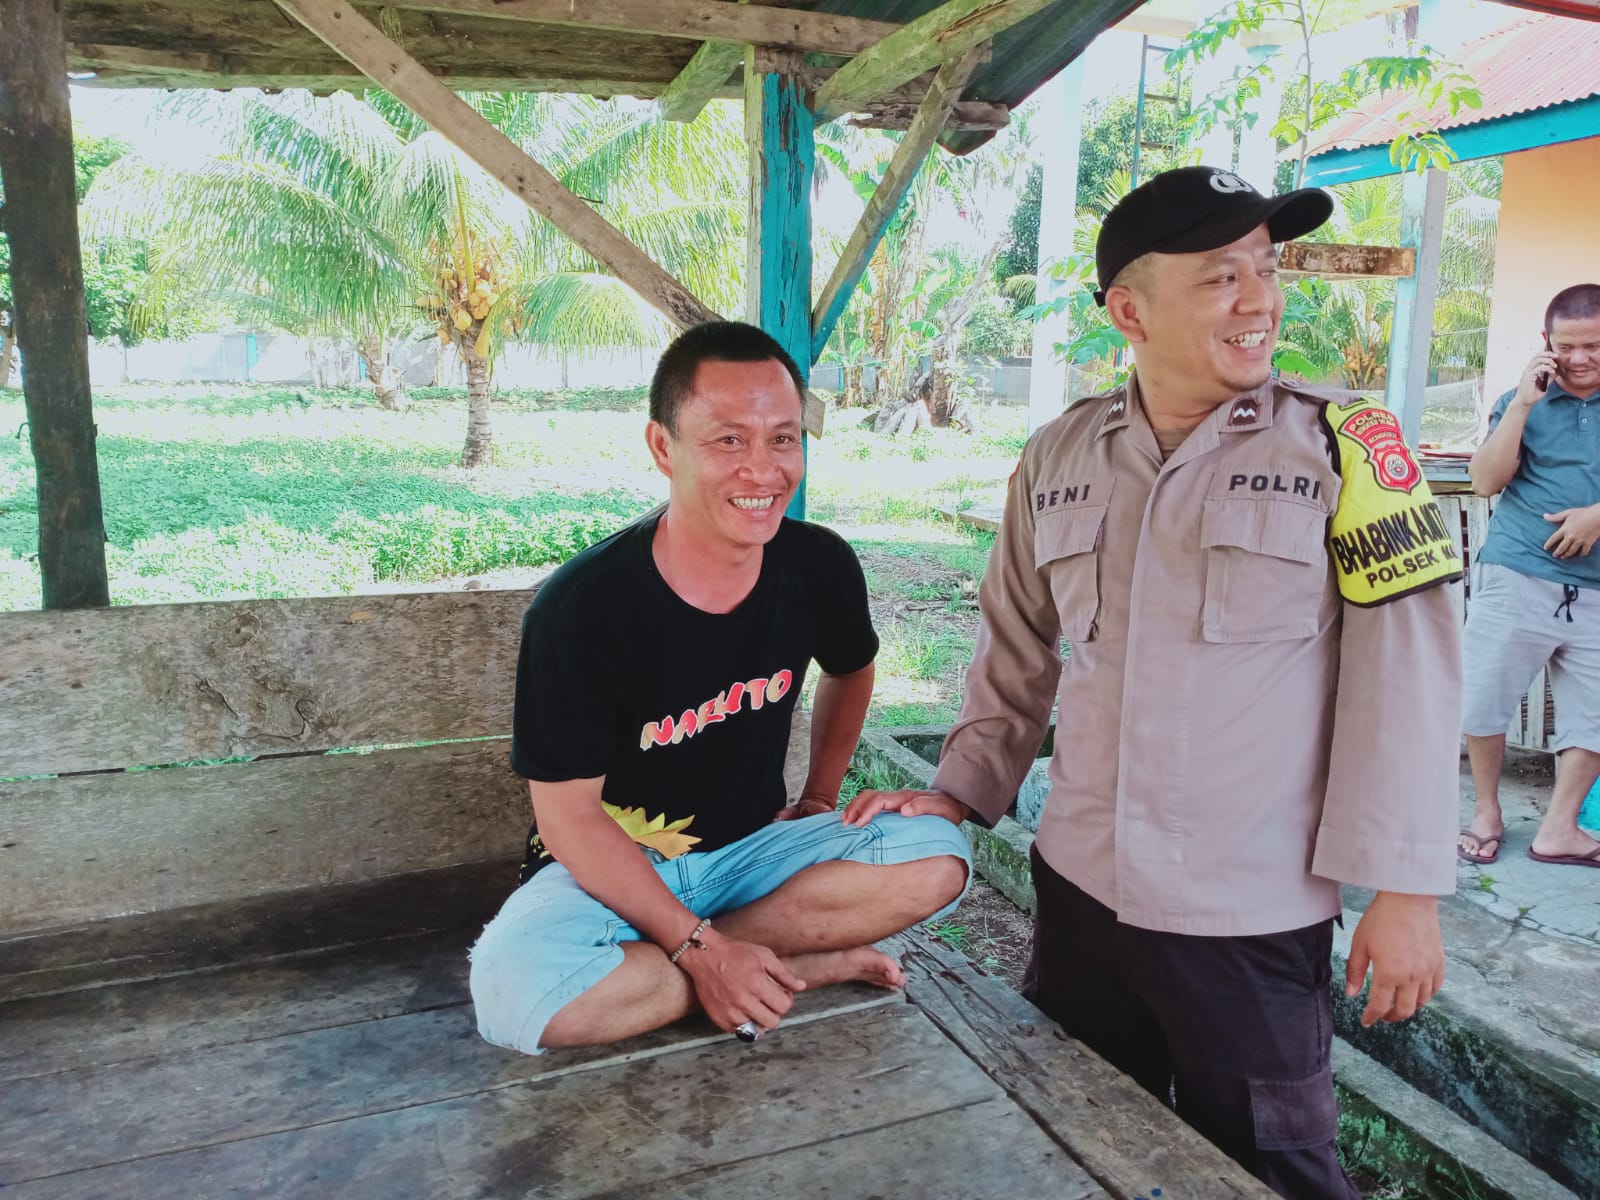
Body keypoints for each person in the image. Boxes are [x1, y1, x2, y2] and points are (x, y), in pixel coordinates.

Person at [843, 167, 1462, 1200]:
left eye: (1265, 270)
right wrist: (959, 792)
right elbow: (1014, 646)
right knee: (1079, 1140)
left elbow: (1409, 677)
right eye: (1222, 276)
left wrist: (1405, 889)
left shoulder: (1349, 449)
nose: (1260, 299)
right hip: (1081, 888)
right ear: (1129, 310)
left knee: (1274, 1167)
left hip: (1247, 909)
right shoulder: (1060, 454)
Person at [468, 320, 971, 1055]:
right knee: (515, 997)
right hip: (611, 876)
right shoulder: (581, 611)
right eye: (728, 440)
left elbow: (851, 667)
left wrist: (822, 797)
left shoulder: (818, 565)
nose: (763, 470)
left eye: (783, 438)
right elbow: (570, 819)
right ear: (663, 448)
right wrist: (700, 949)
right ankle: (782, 965)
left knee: (937, 856)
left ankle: (705, 963)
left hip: (751, 860)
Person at [1458, 284, 1600, 869]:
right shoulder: (1521, 401)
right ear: (1547, 345)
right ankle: (1486, 812)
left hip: (1595, 590)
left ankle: (1559, 828)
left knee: (1593, 715)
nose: (1580, 358)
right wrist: (1521, 403)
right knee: (1482, 702)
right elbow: (1485, 481)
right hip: (1518, 571)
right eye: (1566, 346)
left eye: (1593, 345)